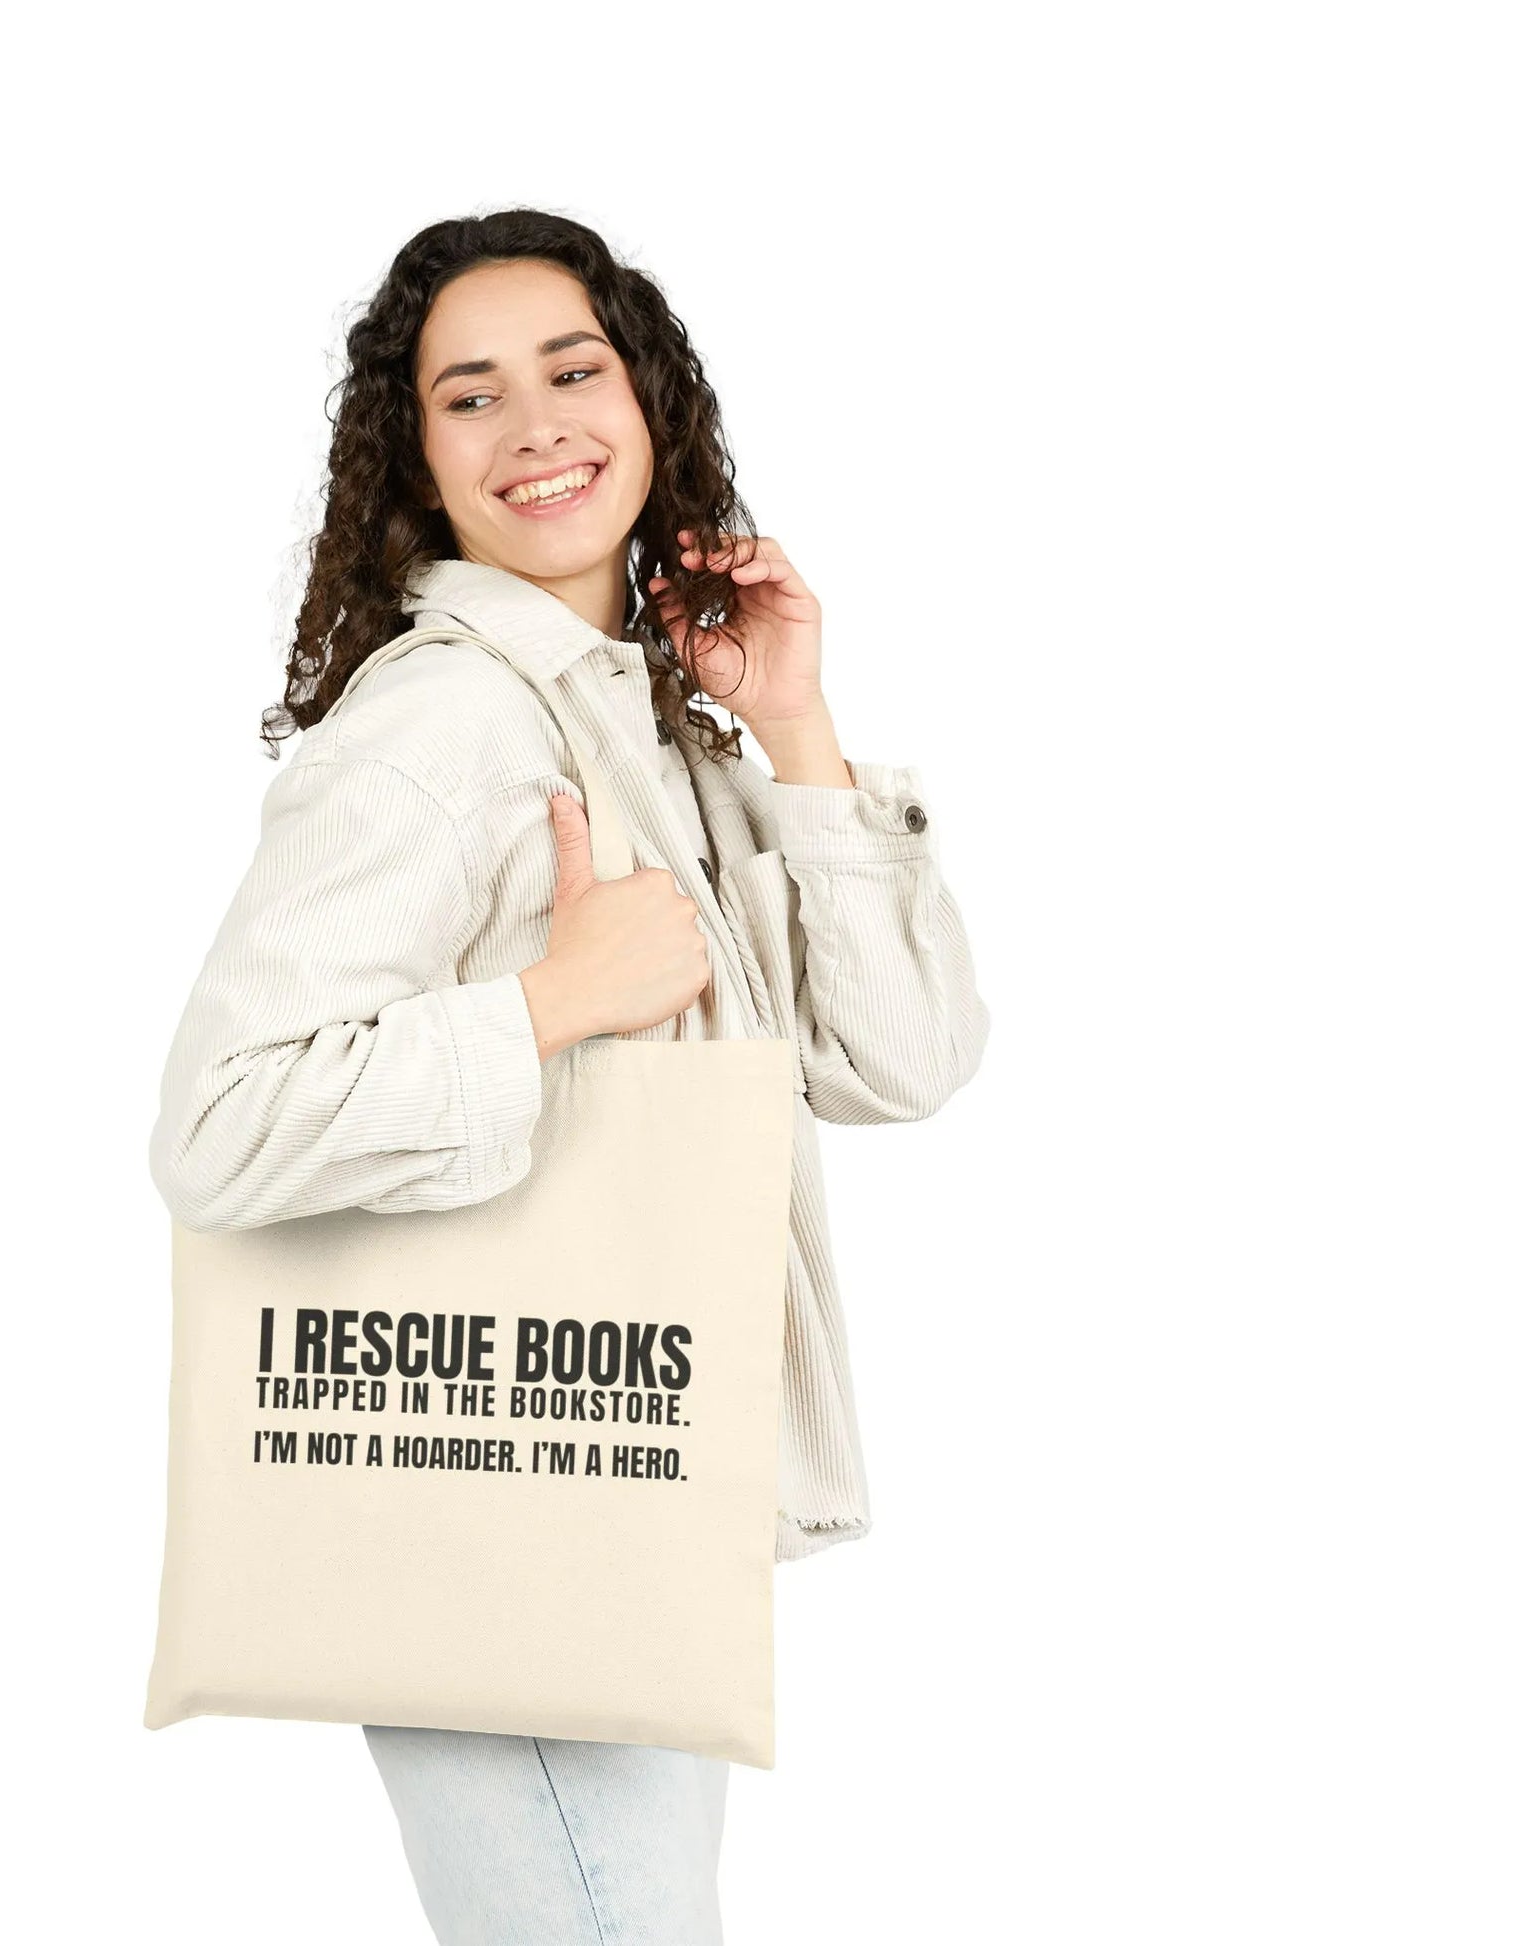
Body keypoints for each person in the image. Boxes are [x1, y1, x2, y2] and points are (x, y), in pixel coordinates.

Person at [147, 207, 991, 1945]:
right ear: (420, 468)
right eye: (470, 396)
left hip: (624, 1484)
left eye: (572, 368)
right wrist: (545, 1005)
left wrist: (799, 734)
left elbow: (901, 1064)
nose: (534, 422)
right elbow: (218, 1127)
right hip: (496, 1494)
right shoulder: (440, 725)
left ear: (650, 405)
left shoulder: (644, 727)